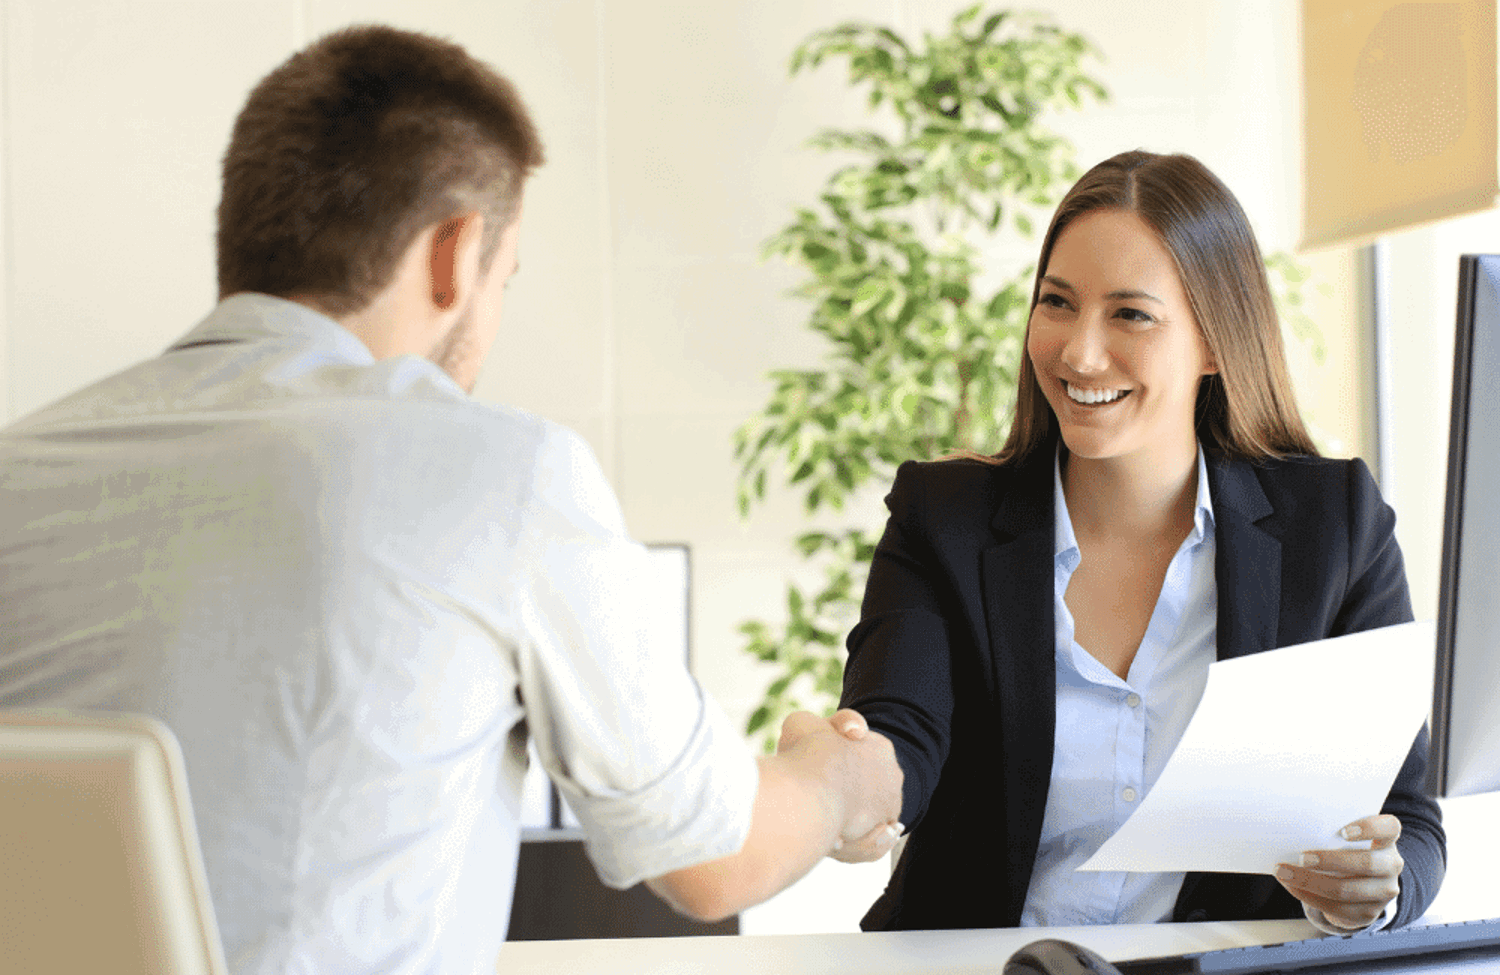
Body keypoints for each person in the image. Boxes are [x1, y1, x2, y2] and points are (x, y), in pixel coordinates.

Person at [0, 25, 902, 974]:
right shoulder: (494, 472)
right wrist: (844, 777)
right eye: (503, 279)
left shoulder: (22, 466)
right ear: (456, 251)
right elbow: (714, 858)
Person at [837, 150, 1445, 933]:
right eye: (1057, 303)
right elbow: (899, 733)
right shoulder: (941, 517)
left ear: (1217, 341)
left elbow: (1408, 818)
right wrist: (851, 787)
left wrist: (1378, 888)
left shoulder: (1334, 528)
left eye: (1130, 313)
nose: (1079, 352)